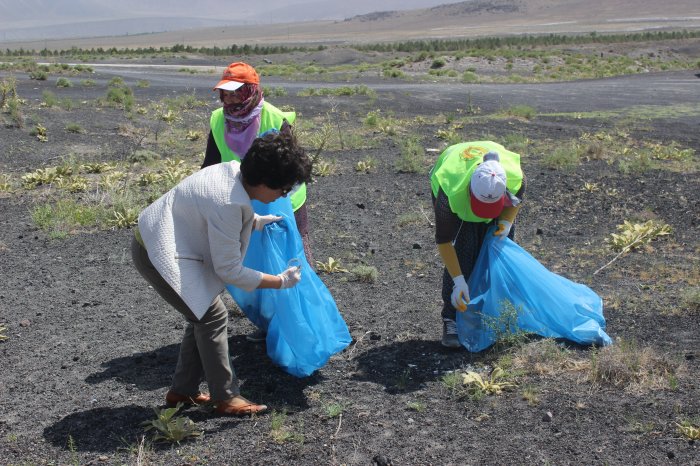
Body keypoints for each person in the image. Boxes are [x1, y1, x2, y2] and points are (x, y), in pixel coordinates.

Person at [132, 130, 312, 415]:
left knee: (202, 311)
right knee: (212, 315)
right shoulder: (229, 202)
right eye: (283, 188)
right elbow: (229, 270)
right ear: (265, 183)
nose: (283, 195)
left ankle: (183, 392)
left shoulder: (232, 173)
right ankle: (226, 397)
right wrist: (280, 282)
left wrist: (253, 221)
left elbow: (215, 211)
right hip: (156, 250)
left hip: (168, 236)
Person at [201, 62, 313, 266]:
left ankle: (300, 293)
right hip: (243, 198)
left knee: (292, 256)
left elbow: (292, 168)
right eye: (225, 93)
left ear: (249, 91)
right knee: (255, 257)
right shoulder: (219, 119)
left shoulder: (275, 119)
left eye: (235, 93)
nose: (229, 99)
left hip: (284, 198)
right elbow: (210, 165)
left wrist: (280, 198)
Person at [430, 141, 525, 348]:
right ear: (471, 193)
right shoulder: (450, 192)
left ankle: (493, 314)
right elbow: (444, 240)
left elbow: (517, 195)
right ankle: (452, 319)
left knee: (499, 254)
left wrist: (507, 221)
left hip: (494, 183)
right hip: (452, 179)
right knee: (465, 249)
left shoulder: (513, 176)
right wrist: (458, 281)